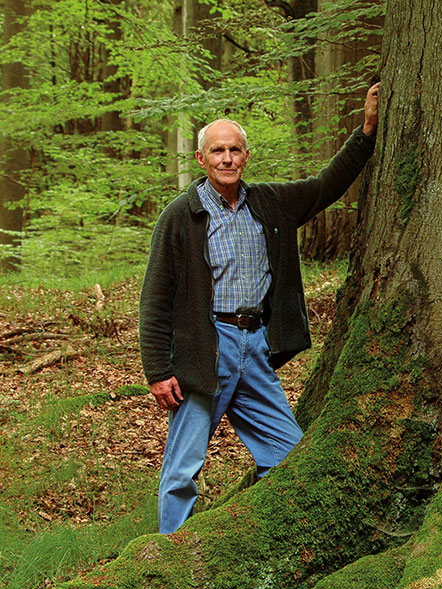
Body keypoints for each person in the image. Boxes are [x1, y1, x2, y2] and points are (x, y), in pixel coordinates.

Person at [140, 83, 380, 534]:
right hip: (205, 348)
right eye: (217, 151)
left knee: (289, 455)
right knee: (182, 467)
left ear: (246, 156)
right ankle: (168, 557)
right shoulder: (181, 215)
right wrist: (157, 369)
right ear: (201, 159)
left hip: (255, 346)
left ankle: (270, 540)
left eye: (234, 150)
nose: (226, 159)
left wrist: (366, 131)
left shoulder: (270, 203)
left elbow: (327, 185)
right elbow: (155, 298)